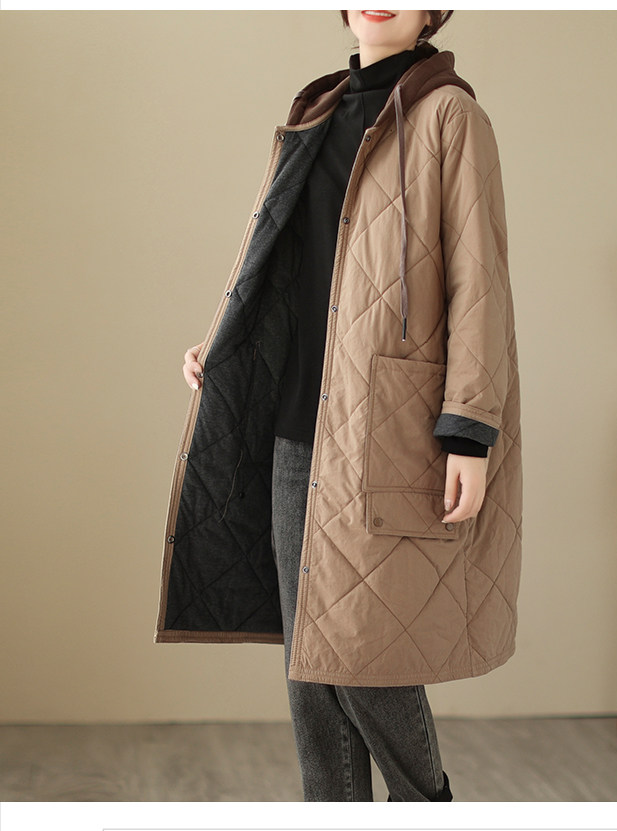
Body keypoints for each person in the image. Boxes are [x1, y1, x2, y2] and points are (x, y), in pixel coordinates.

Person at [155, 10, 522, 802]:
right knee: (310, 671)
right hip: (296, 422)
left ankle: (428, 806)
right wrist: (222, 341)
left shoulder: (451, 116)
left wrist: (470, 432)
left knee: (364, 657)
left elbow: (480, 282)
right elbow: (283, 257)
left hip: (390, 428)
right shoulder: (316, 110)